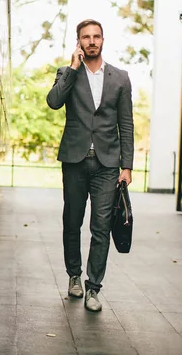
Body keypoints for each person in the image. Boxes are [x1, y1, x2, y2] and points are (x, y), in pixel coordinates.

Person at [46, 19, 134, 312]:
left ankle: (94, 288)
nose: (92, 41)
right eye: (86, 37)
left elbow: (126, 123)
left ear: (103, 40)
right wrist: (72, 68)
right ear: (78, 42)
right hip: (74, 159)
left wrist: (127, 165)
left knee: (101, 227)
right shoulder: (67, 73)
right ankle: (74, 276)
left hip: (108, 164)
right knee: (72, 221)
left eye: (96, 36)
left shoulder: (120, 78)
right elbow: (54, 102)